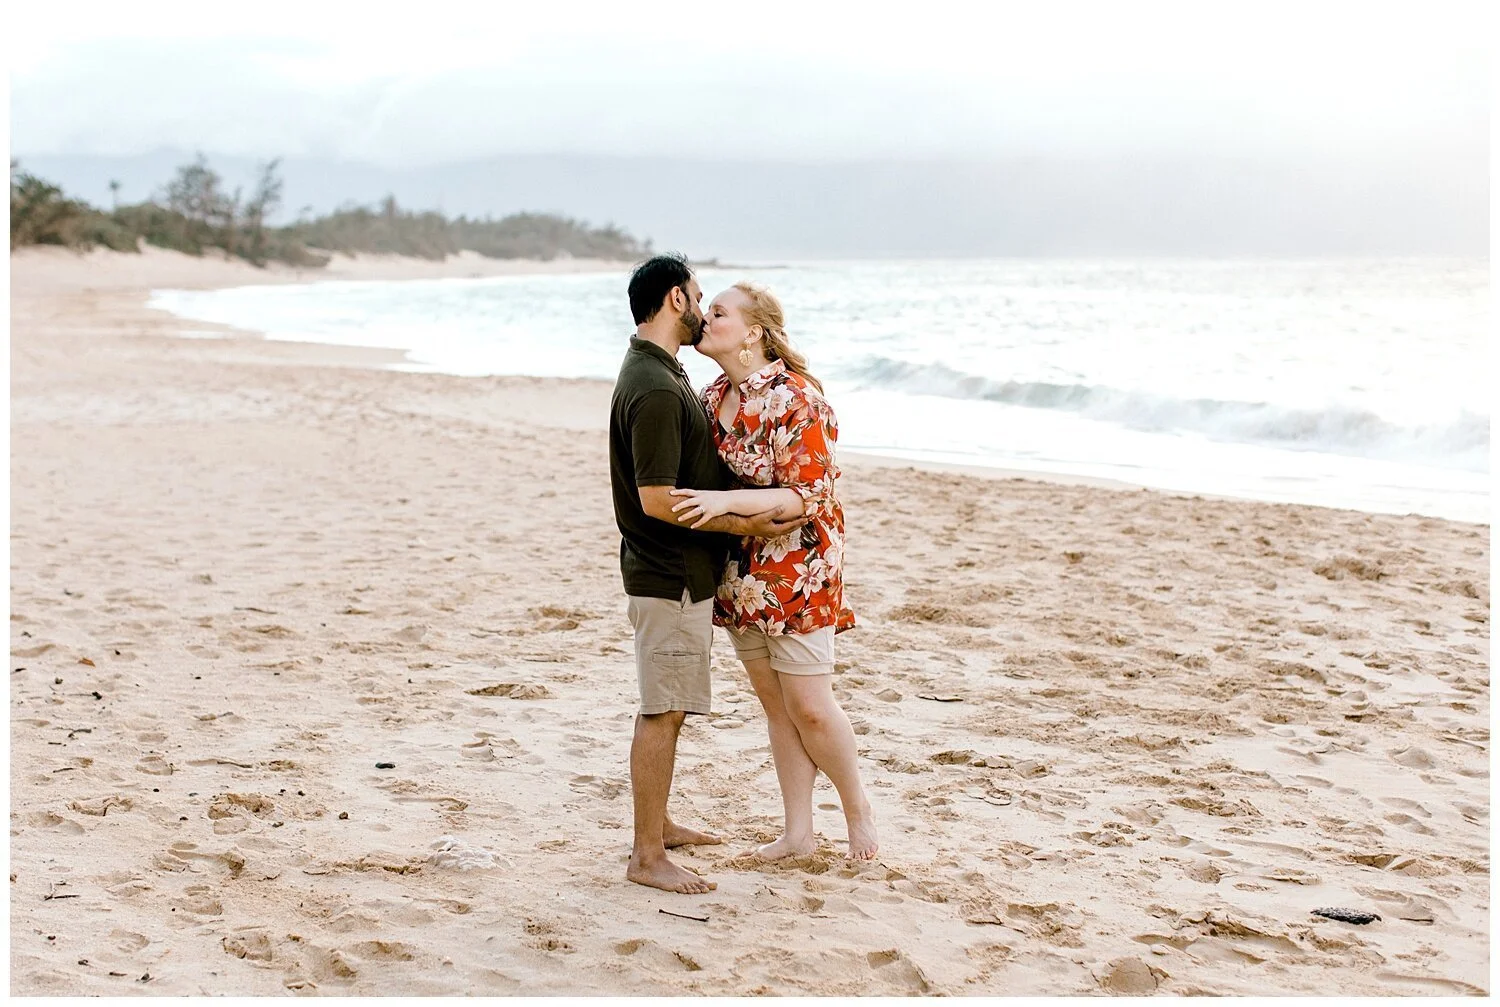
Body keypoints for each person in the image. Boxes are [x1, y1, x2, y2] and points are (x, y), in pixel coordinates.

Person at [609, 254, 806, 894]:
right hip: (670, 575)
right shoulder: (660, 387)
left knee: (669, 705)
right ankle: (646, 856)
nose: (702, 310)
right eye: (698, 297)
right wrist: (745, 525)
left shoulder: (656, 371)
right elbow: (659, 499)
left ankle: (658, 824)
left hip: (670, 573)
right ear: (674, 300)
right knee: (663, 710)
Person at [669, 281, 879, 862]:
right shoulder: (711, 399)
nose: (705, 319)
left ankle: (857, 807)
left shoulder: (797, 399)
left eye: (718, 312)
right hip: (738, 567)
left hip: (798, 568)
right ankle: (798, 833)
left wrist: (723, 504)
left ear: (754, 331)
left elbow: (806, 497)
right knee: (775, 705)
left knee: (810, 704)